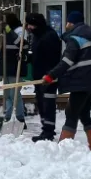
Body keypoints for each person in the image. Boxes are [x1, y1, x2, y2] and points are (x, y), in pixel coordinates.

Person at [42, 11, 91, 151]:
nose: (66, 25)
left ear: (71, 23)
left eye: (67, 22)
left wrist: (51, 76)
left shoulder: (75, 38)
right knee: (84, 113)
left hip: (81, 83)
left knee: (71, 113)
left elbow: (67, 61)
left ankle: (63, 148)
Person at [26, 12, 62, 142]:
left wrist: (49, 74)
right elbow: (37, 54)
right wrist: (27, 57)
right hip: (39, 77)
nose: (29, 27)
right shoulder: (37, 36)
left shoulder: (49, 36)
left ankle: (49, 131)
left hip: (48, 77)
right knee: (41, 103)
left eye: (31, 24)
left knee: (48, 104)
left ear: (37, 24)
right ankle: (45, 129)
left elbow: (53, 58)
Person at [0, 13, 26, 133]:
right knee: (7, 94)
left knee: (15, 94)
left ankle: (20, 118)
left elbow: (21, 43)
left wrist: (8, 30)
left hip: (15, 67)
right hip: (6, 67)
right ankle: (6, 117)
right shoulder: (6, 32)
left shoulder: (19, 31)